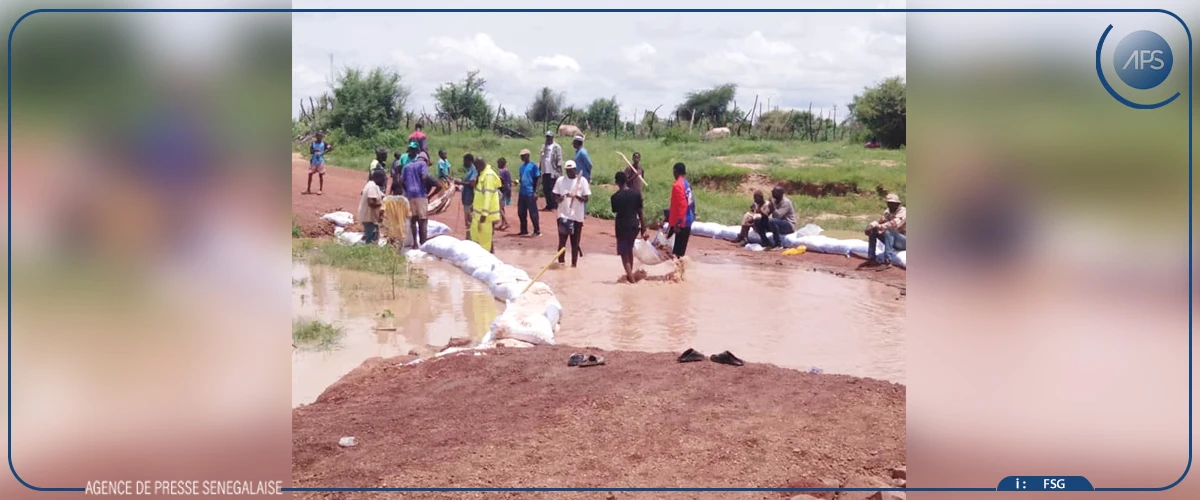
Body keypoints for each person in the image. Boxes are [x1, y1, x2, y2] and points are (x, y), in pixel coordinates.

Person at [610, 171, 646, 283]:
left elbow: (616, 211)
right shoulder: (636, 194)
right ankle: (631, 276)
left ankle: (632, 281)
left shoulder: (615, 197)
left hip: (622, 226)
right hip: (634, 225)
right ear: (626, 180)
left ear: (617, 182)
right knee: (629, 249)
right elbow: (640, 212)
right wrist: (644, 228)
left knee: (623, 253)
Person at [553, 160, 590, 268]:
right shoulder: (560, 181)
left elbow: (586, 198)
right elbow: (555, 197)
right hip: (563, 215)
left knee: (575, 243)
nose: (569, 173)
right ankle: (561, 264)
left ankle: (574, 265)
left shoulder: (582, 181)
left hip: (577, 217)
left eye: (571, 170)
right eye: (567, 171)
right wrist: (563, 197)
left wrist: (576, 196)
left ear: (575, 170)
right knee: (562, 242)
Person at [402, 151, 435, 249]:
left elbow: (402, 181)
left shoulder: (407, 166)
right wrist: (425, 187)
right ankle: (423, 243)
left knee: (413, 220)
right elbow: (424, 176)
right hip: (421, 195)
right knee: (423, 220)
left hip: (410, 195)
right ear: (426, 160)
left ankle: (415, 244)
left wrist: (408, 190)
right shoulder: (423, 164)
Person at [865, 193, 906, 266]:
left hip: (904, 241)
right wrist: (870, 225)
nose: (890, 205)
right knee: (873, 231)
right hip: (894, 240)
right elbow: (879, 220)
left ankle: (887, 261)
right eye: (888, 203)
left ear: (897, 203)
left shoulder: (903, 212)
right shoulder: (888, 211)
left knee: (889, 231)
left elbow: (893, 224)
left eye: (892, 203)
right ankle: (871, 258)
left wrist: (878, 226)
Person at [471, 157, 503, 253]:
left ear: (481, 165)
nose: (476, 169)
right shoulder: (482, 175)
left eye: (476, 167)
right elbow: (479, 194)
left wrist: (484, 214)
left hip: (486, 216)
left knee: (485, 241)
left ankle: (487, 259)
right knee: (477, 238)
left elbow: (487, 197)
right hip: (478, 214)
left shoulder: (488, 176)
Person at [666, 162, 695, 258]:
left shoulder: (677, 185)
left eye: (673, 172)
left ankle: (679, 272)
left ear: (676, 171)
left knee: (677, 253)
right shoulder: (687, 184)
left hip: (681, 222)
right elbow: (692, 202)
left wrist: (678, 224)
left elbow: (682, 206)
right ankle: (681, 271)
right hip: (688, 220)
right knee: (680, 252)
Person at [516, 148, 541, 236]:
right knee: (521, 212)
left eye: (523, 156)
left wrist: (536, 191)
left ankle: (537, 230)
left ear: (528, 156)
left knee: (533, 212)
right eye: (521, 156)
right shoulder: (521, 167)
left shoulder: (533, 166)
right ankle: (523, 230)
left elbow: (538, 178)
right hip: (522, 192)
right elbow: (521, 178)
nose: (522, 157)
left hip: (530, 192)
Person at [359, 169, 386, 244]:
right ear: (378, 178)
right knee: (371, 239)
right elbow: (371, 202)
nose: (384, 181)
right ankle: (368, 254)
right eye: (383, 178)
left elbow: (382, 196)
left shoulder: (373, 185)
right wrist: (382, 204)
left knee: (373, 237)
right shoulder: (372, 187)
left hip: (371, 217)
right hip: (369, 218)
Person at [539, 131, 563, 211]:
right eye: (547, 137)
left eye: (549, 137)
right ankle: (548, 205)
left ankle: (554, 205)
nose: (548, 138)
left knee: (553, 188)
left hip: (553, 171)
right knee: (545, 188)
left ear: (553, 137)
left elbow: (559, 159)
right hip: (545, 170)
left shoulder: (557, 147)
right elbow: (541, 159)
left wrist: (559, 172)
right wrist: (540, 168)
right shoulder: (543, 146)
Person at [455, 153, 478, 232]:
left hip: (470, 199)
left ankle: (470, 238)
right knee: (468, 219)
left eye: (465, 160)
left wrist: (461, 183)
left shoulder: (474, 170)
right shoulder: (471, 170)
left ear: (469, 161)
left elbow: (472, 184)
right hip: (467, 198)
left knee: (469, 219)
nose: (463, 162)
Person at [497, 157, 513, 231]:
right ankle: (503, 223)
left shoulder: (502, 171)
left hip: (503, 190)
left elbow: (501, 181)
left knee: (499, 208)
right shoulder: (506, 170)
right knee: (502, 207)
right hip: (507, 189)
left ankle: (506, 222)